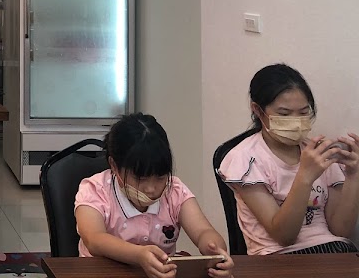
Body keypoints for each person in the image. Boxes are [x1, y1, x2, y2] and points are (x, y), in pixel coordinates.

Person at [218, 63, 359, 255]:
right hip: (278, 257)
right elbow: (284, 236)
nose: (296, 122)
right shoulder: (245, 159)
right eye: (284, 114)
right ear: (258, 110)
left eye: (303, 113)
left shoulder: (318, 153)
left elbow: (341, 230)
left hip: (333, 250)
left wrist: (353, 175)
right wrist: (305, 176)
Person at [76, 113, 233, 278]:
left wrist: (215, 251)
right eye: (140, 178)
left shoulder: (174, 191)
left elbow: (203, 231)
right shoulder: (95, 190)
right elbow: (94, 239)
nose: (151, 189)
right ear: (114, 166)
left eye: (160, 177)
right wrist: (138, 255)